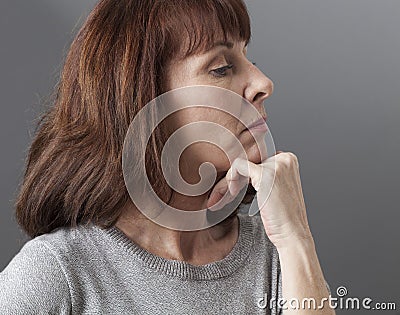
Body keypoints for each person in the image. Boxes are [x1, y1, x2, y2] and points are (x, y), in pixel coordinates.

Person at [0, 0, 335, 314]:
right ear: (143, 96)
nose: (263, 83)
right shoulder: (59, 274)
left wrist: (297, 241)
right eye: (221, 68)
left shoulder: (275, 256)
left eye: (250, 58)